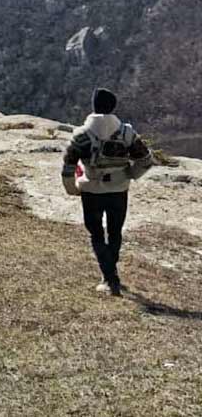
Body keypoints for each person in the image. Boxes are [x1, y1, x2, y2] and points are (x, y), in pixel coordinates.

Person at [61, 88, 153, 296]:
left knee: (96, 234)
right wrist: (130, 173)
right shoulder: (127, 133)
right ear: (113, 108)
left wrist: (72, 188)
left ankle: (110, 278)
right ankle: (110, 276)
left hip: (91, 190)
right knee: (115, 232)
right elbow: (146, 160)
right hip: (119, 189)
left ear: (93, 107)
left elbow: (68, 165)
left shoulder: (82, 135)